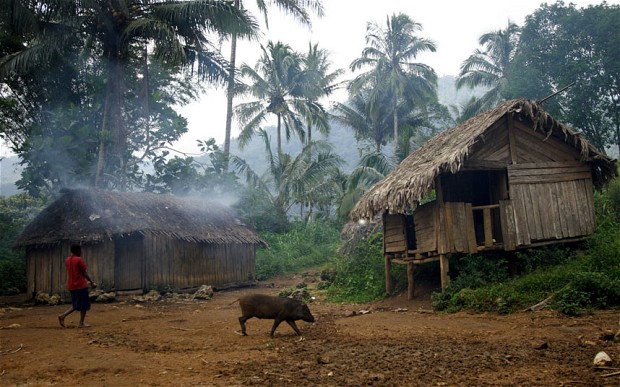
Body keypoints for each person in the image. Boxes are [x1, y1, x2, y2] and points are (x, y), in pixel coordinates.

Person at [58, 244, 97, 328]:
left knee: (76, 304)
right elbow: (84, 272)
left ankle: (63, 316)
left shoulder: (67, 260)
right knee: (84, 304)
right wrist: (91, 282)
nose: (81, 252)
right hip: (80, 285)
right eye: (80, 250)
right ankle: (80, 322)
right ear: (78, 251)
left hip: (71, 285)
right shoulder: (79, 260)